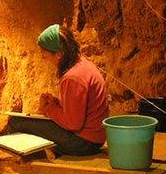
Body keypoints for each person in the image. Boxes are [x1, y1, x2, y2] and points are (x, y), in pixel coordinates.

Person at [7, 24, 108, 156]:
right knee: (29, 122)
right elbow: (79, 109)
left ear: (59, 54)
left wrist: (48, 109)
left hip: (84, 143)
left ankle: (37, 162)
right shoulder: (83, 64)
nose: (45, 59)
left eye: (45, 55)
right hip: (95, 138)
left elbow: (73, 124)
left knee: (16, 122)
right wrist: (56, 103)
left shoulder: (72, 78)